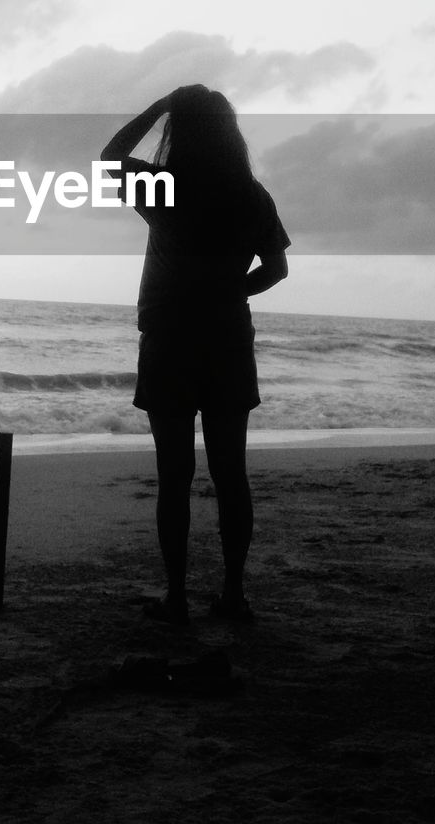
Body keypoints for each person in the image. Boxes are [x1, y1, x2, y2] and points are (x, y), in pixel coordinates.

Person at [101, 86, 290, 626]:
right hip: (228, 340)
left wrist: (161, 104)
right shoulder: (251, 195)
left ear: (179, 131)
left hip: (169, 340)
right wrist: (230, 293)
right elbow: (276, 271)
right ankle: (233, 594)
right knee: (232, 473)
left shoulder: (164, 186)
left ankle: (178, 597)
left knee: (174, 474)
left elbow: (110, 155)